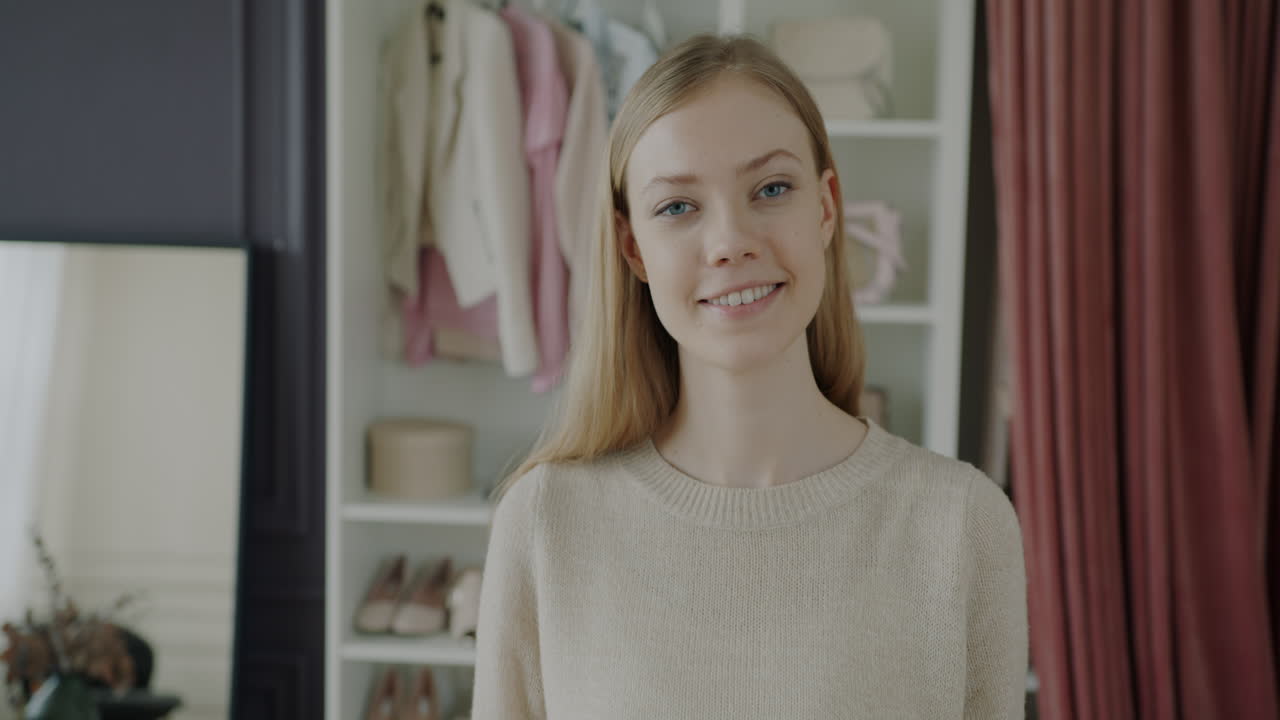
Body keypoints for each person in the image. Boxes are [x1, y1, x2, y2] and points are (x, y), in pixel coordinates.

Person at [471, 33, 1028, 719]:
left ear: (825, 208)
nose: (731, 242)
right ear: (632, 247)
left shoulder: (962, 525)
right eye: (678, 206)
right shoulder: (544, 524)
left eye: (771, 189)